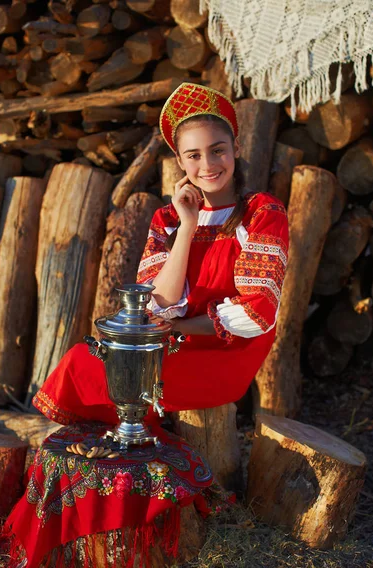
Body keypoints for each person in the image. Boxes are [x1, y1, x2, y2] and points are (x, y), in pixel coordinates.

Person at [33, 82, 289, 426]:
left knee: (114, 369)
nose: (208, 164)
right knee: (88, 358)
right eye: (194, 155)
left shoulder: (262, 212)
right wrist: (187, 227)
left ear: (236, 148)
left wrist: (177, 327)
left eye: (218, 150)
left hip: (224, 355)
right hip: (171, 343)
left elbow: (258, 312)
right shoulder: (168, 219)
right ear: (181, 161)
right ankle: (120, 458)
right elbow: (158, 302)